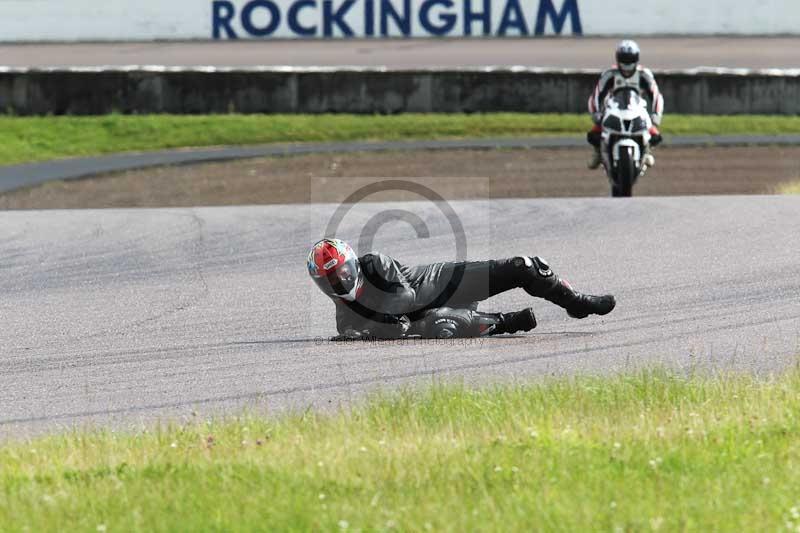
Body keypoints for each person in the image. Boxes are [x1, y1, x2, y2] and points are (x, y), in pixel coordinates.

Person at [308, 238, 616, 341]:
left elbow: (405, 296)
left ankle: (576, 302)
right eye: (329, 280)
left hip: (447, 282)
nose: (339, 283)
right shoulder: (345, 317)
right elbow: (382, 331)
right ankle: (507, 322)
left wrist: (375, 326)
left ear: (353, 264)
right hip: (439, 314)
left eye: (342, 273)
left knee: (524, 266)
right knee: (440, 326)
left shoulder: (375, 263)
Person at [587, 40, 664, 169]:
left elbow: (656, 95)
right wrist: (596, 114)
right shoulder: (609, 74)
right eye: (624, 59)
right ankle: (598, 153)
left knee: (655, 135)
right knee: (594, 134)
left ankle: (646, 151)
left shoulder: (644, 74)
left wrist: (656, 116)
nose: (627, 63)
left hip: (638, 110)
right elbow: (596, 95)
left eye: (630, 59)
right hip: (613, 109)